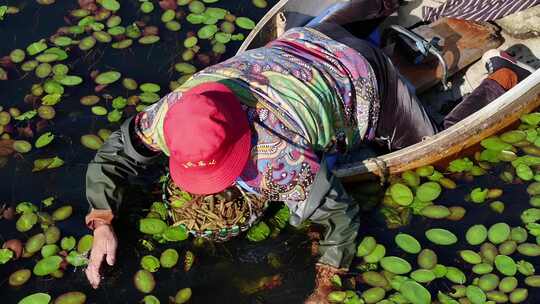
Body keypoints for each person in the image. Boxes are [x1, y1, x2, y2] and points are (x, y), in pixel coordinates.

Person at [83, 1, 536, 303]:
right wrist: (102, 221)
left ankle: (508, 73)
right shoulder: (173, 114)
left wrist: (325, 284)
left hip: (365, 75)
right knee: (339, 17)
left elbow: (339, 216)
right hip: (306, 42)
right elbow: (113, 157)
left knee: (433, 141)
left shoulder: (277, 161)